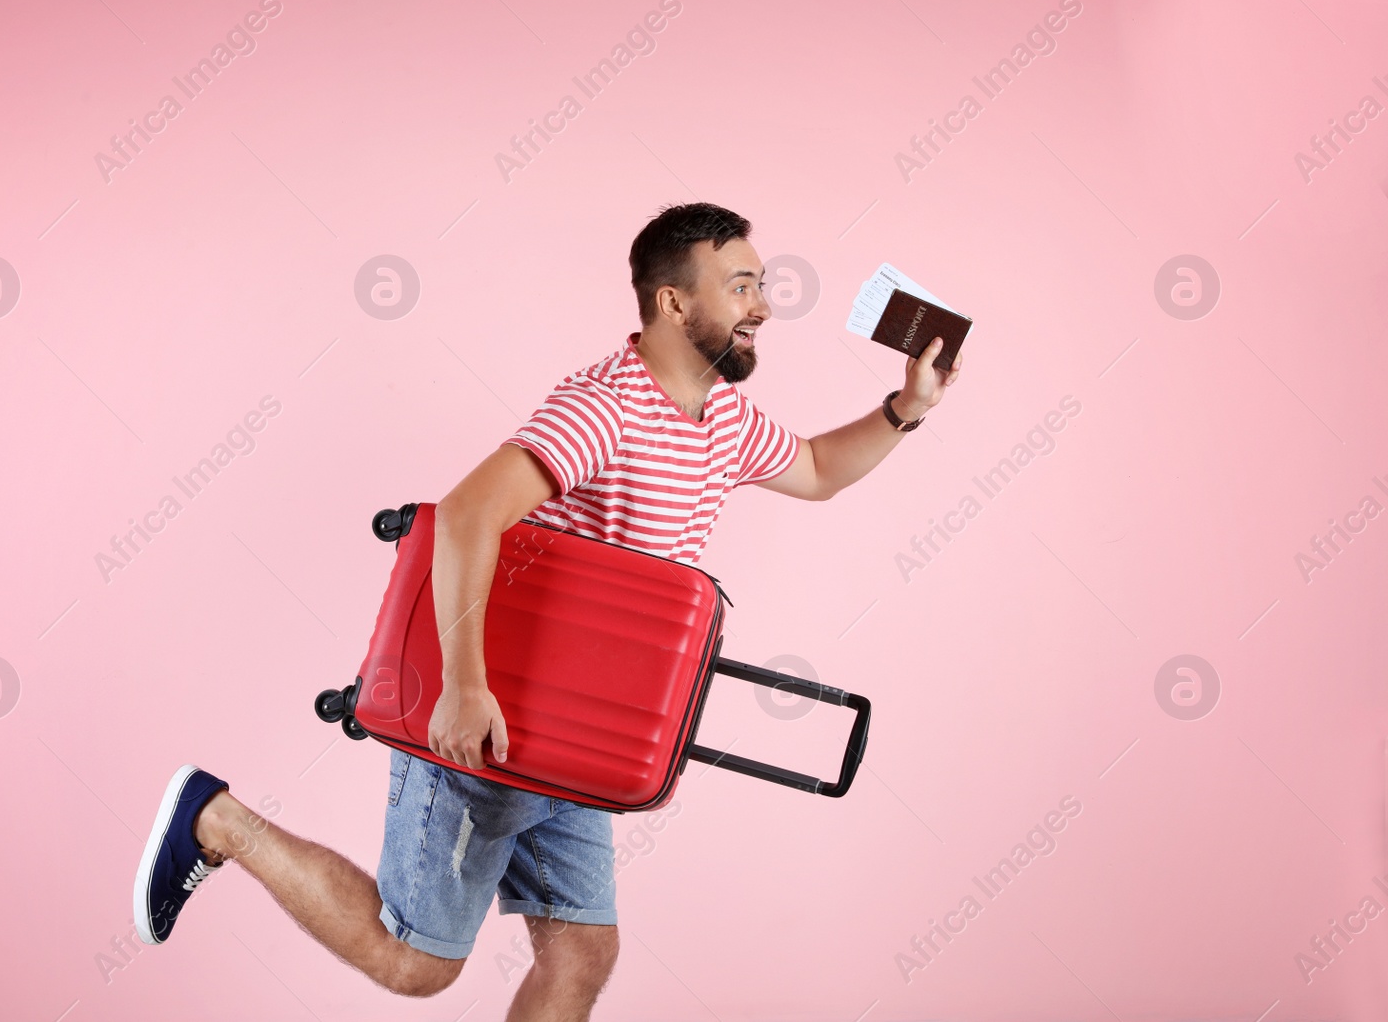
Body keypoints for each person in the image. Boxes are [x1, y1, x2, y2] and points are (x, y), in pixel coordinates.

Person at [133, 202, 964, 1020]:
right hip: (489, 715)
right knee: (417, 961)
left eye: (763, 285)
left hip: (581, 726)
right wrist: (462, 687)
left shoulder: (722, 417)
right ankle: (218, 819)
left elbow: (816, 467)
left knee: (580, 952)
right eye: (742, 285)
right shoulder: (605, 405)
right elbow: (462, 516)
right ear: (675, 302)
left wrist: (909, 407)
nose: (763, 306)